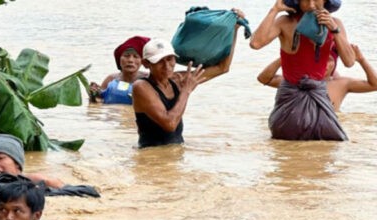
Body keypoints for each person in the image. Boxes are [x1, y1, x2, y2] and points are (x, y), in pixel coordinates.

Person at [132, 11, 242, 148]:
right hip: (151, 156)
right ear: (146, 64)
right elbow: (170, 124)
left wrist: (234, 29)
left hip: (176, 151)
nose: (167, 66)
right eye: (159, 61)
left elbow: (222, 68)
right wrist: (186, 91)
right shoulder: (141, 86)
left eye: (170, 59)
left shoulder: (178, 79)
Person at [249, 0, 354, 141]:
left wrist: (334, 29)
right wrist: (274, 10)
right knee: (287, 142)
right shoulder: (285, 22)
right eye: (305, 0)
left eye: (316, 0)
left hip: (319, 94)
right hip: (291, 96)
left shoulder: (335, 23)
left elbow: (349, 61)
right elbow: (255, 43)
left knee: (331, 143)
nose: (311, 5)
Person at [257, 44, 377, 112]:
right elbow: (264, 79)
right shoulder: (297, 80)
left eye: (328, 60)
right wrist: (285, 57)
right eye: (318, 60)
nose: (323, 64)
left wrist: (361, 60)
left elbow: (374, 85)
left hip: (325, 131)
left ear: (334, 63)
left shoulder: (341, 84)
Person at [89, 36, 150, 104]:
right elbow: (98, 103)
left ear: (142, 61)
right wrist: (94, 94)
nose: (130, 60)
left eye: (136, 57)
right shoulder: (111, 79)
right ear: (119, 59)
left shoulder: (149, 79)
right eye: (126, 56)